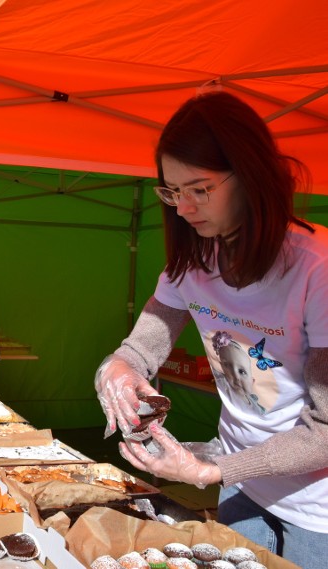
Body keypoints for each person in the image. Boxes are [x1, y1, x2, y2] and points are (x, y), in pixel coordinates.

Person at [94, 91, 328, 568]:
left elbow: (325, 429)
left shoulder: (316, 270)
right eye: (172, 191)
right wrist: (117, 371)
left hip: (317, 508)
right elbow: (141, 347)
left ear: (252, 177)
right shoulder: (193, 266)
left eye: (199, 189)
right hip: (241, 483)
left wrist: (211, 469)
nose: (183, 208)